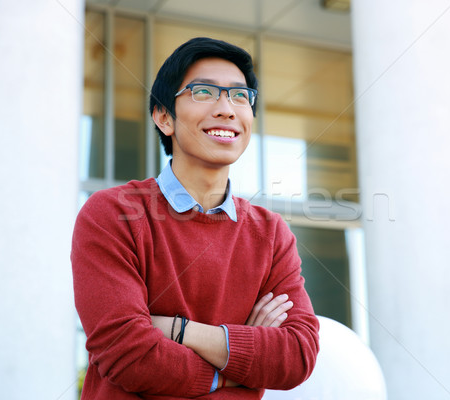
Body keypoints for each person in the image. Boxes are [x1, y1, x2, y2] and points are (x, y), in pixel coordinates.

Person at [71, 37, 319, 399]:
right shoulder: (113, 214)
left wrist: (179, 331)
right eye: (203, 92)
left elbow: (297, 354)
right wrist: (237, 362)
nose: (227, 109)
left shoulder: (271, 233)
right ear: (164, 117)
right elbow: (127, 353)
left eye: (240, 95)